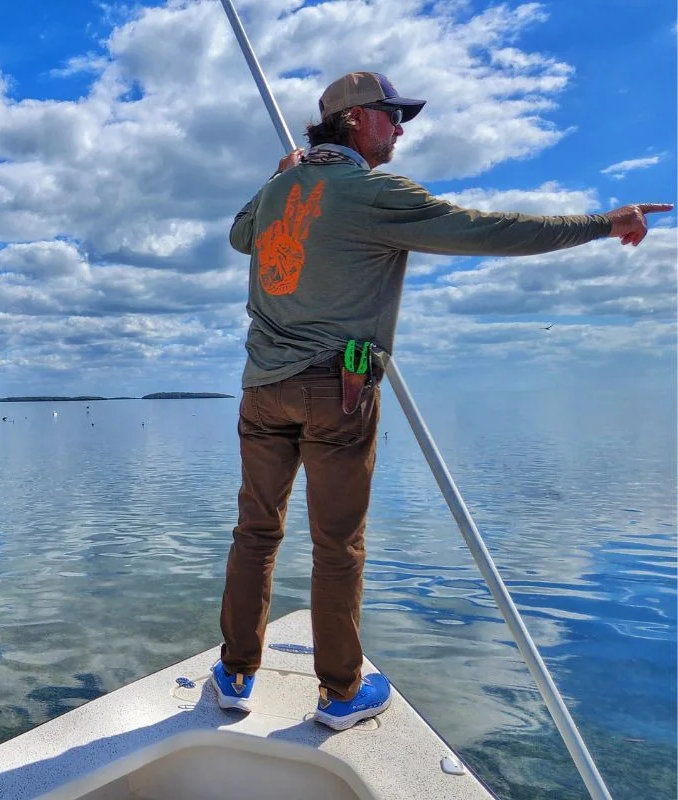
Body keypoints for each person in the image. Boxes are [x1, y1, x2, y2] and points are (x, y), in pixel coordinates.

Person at [212, 70, 672, 730]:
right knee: (337, 546)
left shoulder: (283, 186)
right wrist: (605, 222)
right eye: (391, 115)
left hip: (261, 390)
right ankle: (340, 694)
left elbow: (240, 236)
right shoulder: (373, 194)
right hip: (333, 393)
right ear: (354, 122)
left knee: (255, 532)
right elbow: (489, 230)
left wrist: (276, 178)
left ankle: (234, 674)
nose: (400, 128)